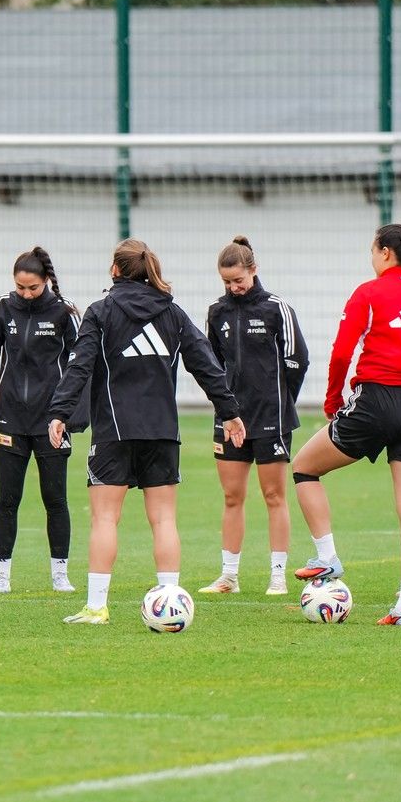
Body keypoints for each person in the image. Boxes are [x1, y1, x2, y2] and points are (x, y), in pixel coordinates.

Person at [47, 240, 246, 627]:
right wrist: (230, 411)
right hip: (162, 431)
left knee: (105, 519)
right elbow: (206, 365)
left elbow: (79, 367)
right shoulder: (171, 313)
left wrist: (58, 412)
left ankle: (96, 608)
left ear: (115, 271)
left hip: (113, 432)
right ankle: (170, 602)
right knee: (164, 519)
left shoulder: (101, 312)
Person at [289, 221, 401, 627]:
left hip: (377, 401)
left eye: (373, 251)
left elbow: (340, 353)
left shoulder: (369, 293)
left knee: (304, 467)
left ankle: (327, 557)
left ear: (385, 252)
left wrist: (333, 401)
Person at [200, 236, 308, 596]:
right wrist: (226, 406)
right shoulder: (217, 312)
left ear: (253, 270)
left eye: (239, 281)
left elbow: (297, 361)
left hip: (271, 419)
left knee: (274, 495)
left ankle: (277, 574)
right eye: (227, 282)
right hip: (230, 419)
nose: (234, 288)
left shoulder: (278, 309)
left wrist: (278, 401)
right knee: (232, 497)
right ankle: (228, 576)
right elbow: (210, 365)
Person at [0, 246, 81, 594]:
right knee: (7, 499)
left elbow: (81, 367)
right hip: (10, 420)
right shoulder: (2, 308)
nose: (25, 293)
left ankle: (60, 575)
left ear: (46, 281)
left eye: (32, 287)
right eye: (20, 287)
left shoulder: (65, 313)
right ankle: (1, 576)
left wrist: (69, 416)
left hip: (52, 422)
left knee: (56, 499)